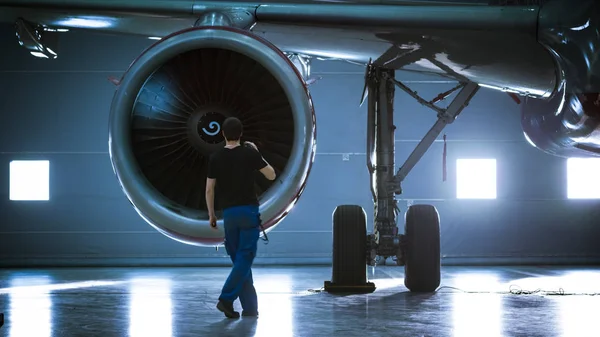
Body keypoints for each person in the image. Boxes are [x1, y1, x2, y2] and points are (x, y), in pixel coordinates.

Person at [205, 116, 276, 319]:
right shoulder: (249, 153)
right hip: (248, 212)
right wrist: (257, 153)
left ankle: (250, 308)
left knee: (239, 260)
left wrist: (211, 214)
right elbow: (271, 175)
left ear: (222, 134)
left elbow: (210, 189)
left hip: (229, 215)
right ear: (241, 134)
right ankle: (226, 299)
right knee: (245, 259)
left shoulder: (216, 157)